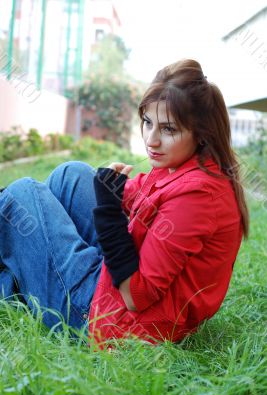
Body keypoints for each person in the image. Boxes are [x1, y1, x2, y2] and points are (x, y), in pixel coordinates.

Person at [0, 59, 249, 346]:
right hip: (112, 287)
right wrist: (110, 186)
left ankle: (17, 271)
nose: (151, 140)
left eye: (168, 129)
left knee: (23, 195)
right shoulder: (183, 164)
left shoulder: (198, 197)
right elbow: (140, 196)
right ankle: (19, 271)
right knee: (72, 175)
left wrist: (108, 210)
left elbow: (135, 295)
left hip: (108, 320)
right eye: (147, 122)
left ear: (201, 134)